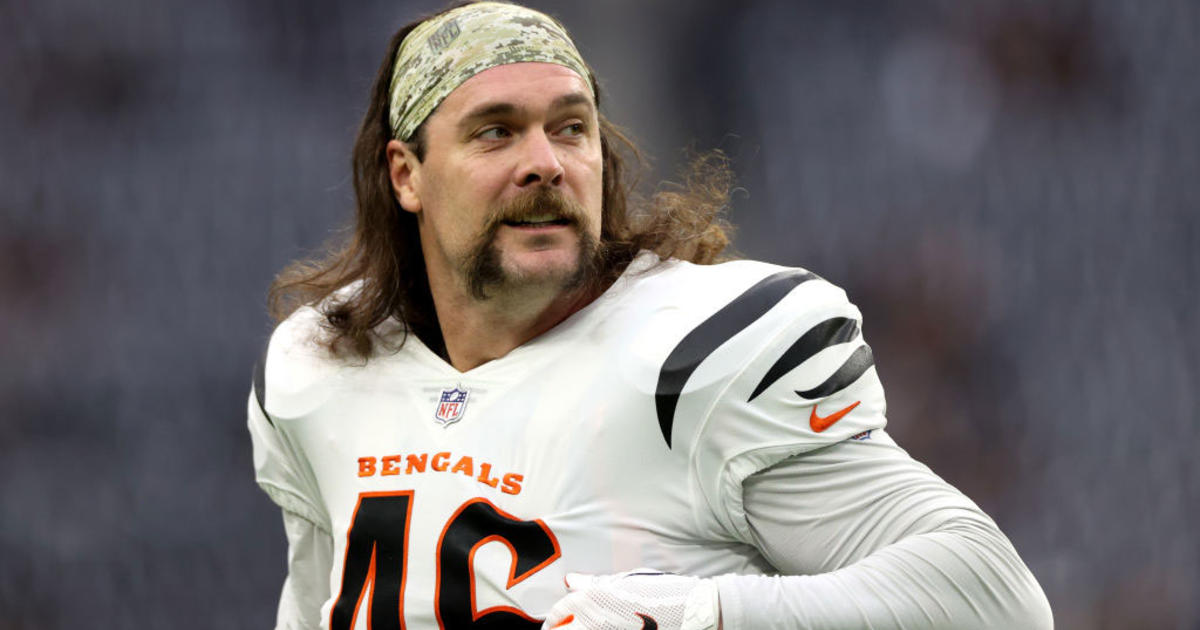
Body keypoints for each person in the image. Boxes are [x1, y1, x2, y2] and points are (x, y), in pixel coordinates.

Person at [247, 2, 1054, 628]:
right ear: (406, 175)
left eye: (571, 128)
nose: (545, 163)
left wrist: (710, 615)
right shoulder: (320, 372)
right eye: (495, 133)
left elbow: (989, 592)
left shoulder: (694, 359)